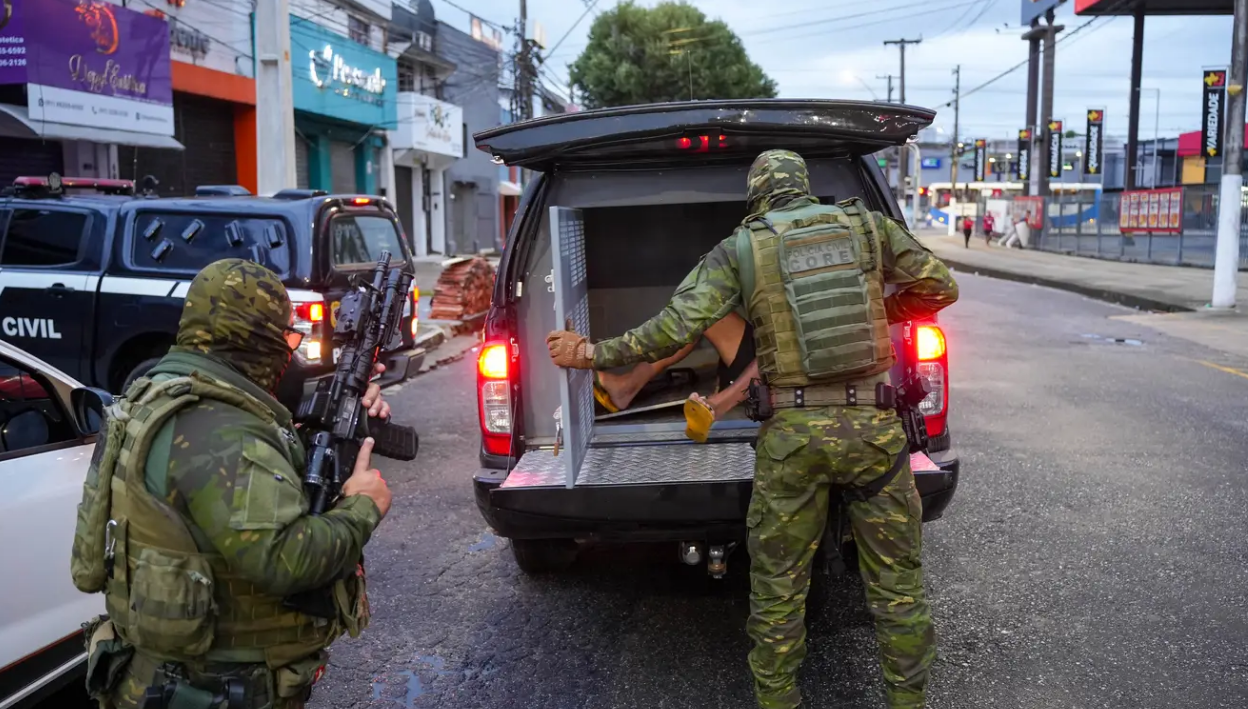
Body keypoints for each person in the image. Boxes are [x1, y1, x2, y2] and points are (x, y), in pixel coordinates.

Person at [545, 149, 958, 709]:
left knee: (779, 590)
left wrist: (593, 353)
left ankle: (778, 700)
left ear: (757, 194)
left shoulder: (741, 246)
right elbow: (941, 287)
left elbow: (673, 328)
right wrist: (882, 313)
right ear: (804, 186)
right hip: (875, 436)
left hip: (793, 442)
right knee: (897, 590)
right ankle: (909, 702)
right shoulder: (868, 226)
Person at [70, 259, 394, 709]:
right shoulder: (221, 429)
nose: (290, 353)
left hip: (165, 679)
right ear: (256, 340)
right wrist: (363, 506)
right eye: (287, 339)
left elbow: (231, 484)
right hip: (212, 690)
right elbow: (287, 560)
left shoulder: (159, 392)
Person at [595, 311, 758, 420]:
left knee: (703, 312)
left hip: (765, 377)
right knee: (702, 310)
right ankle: (628, 385)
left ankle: (719, 404)